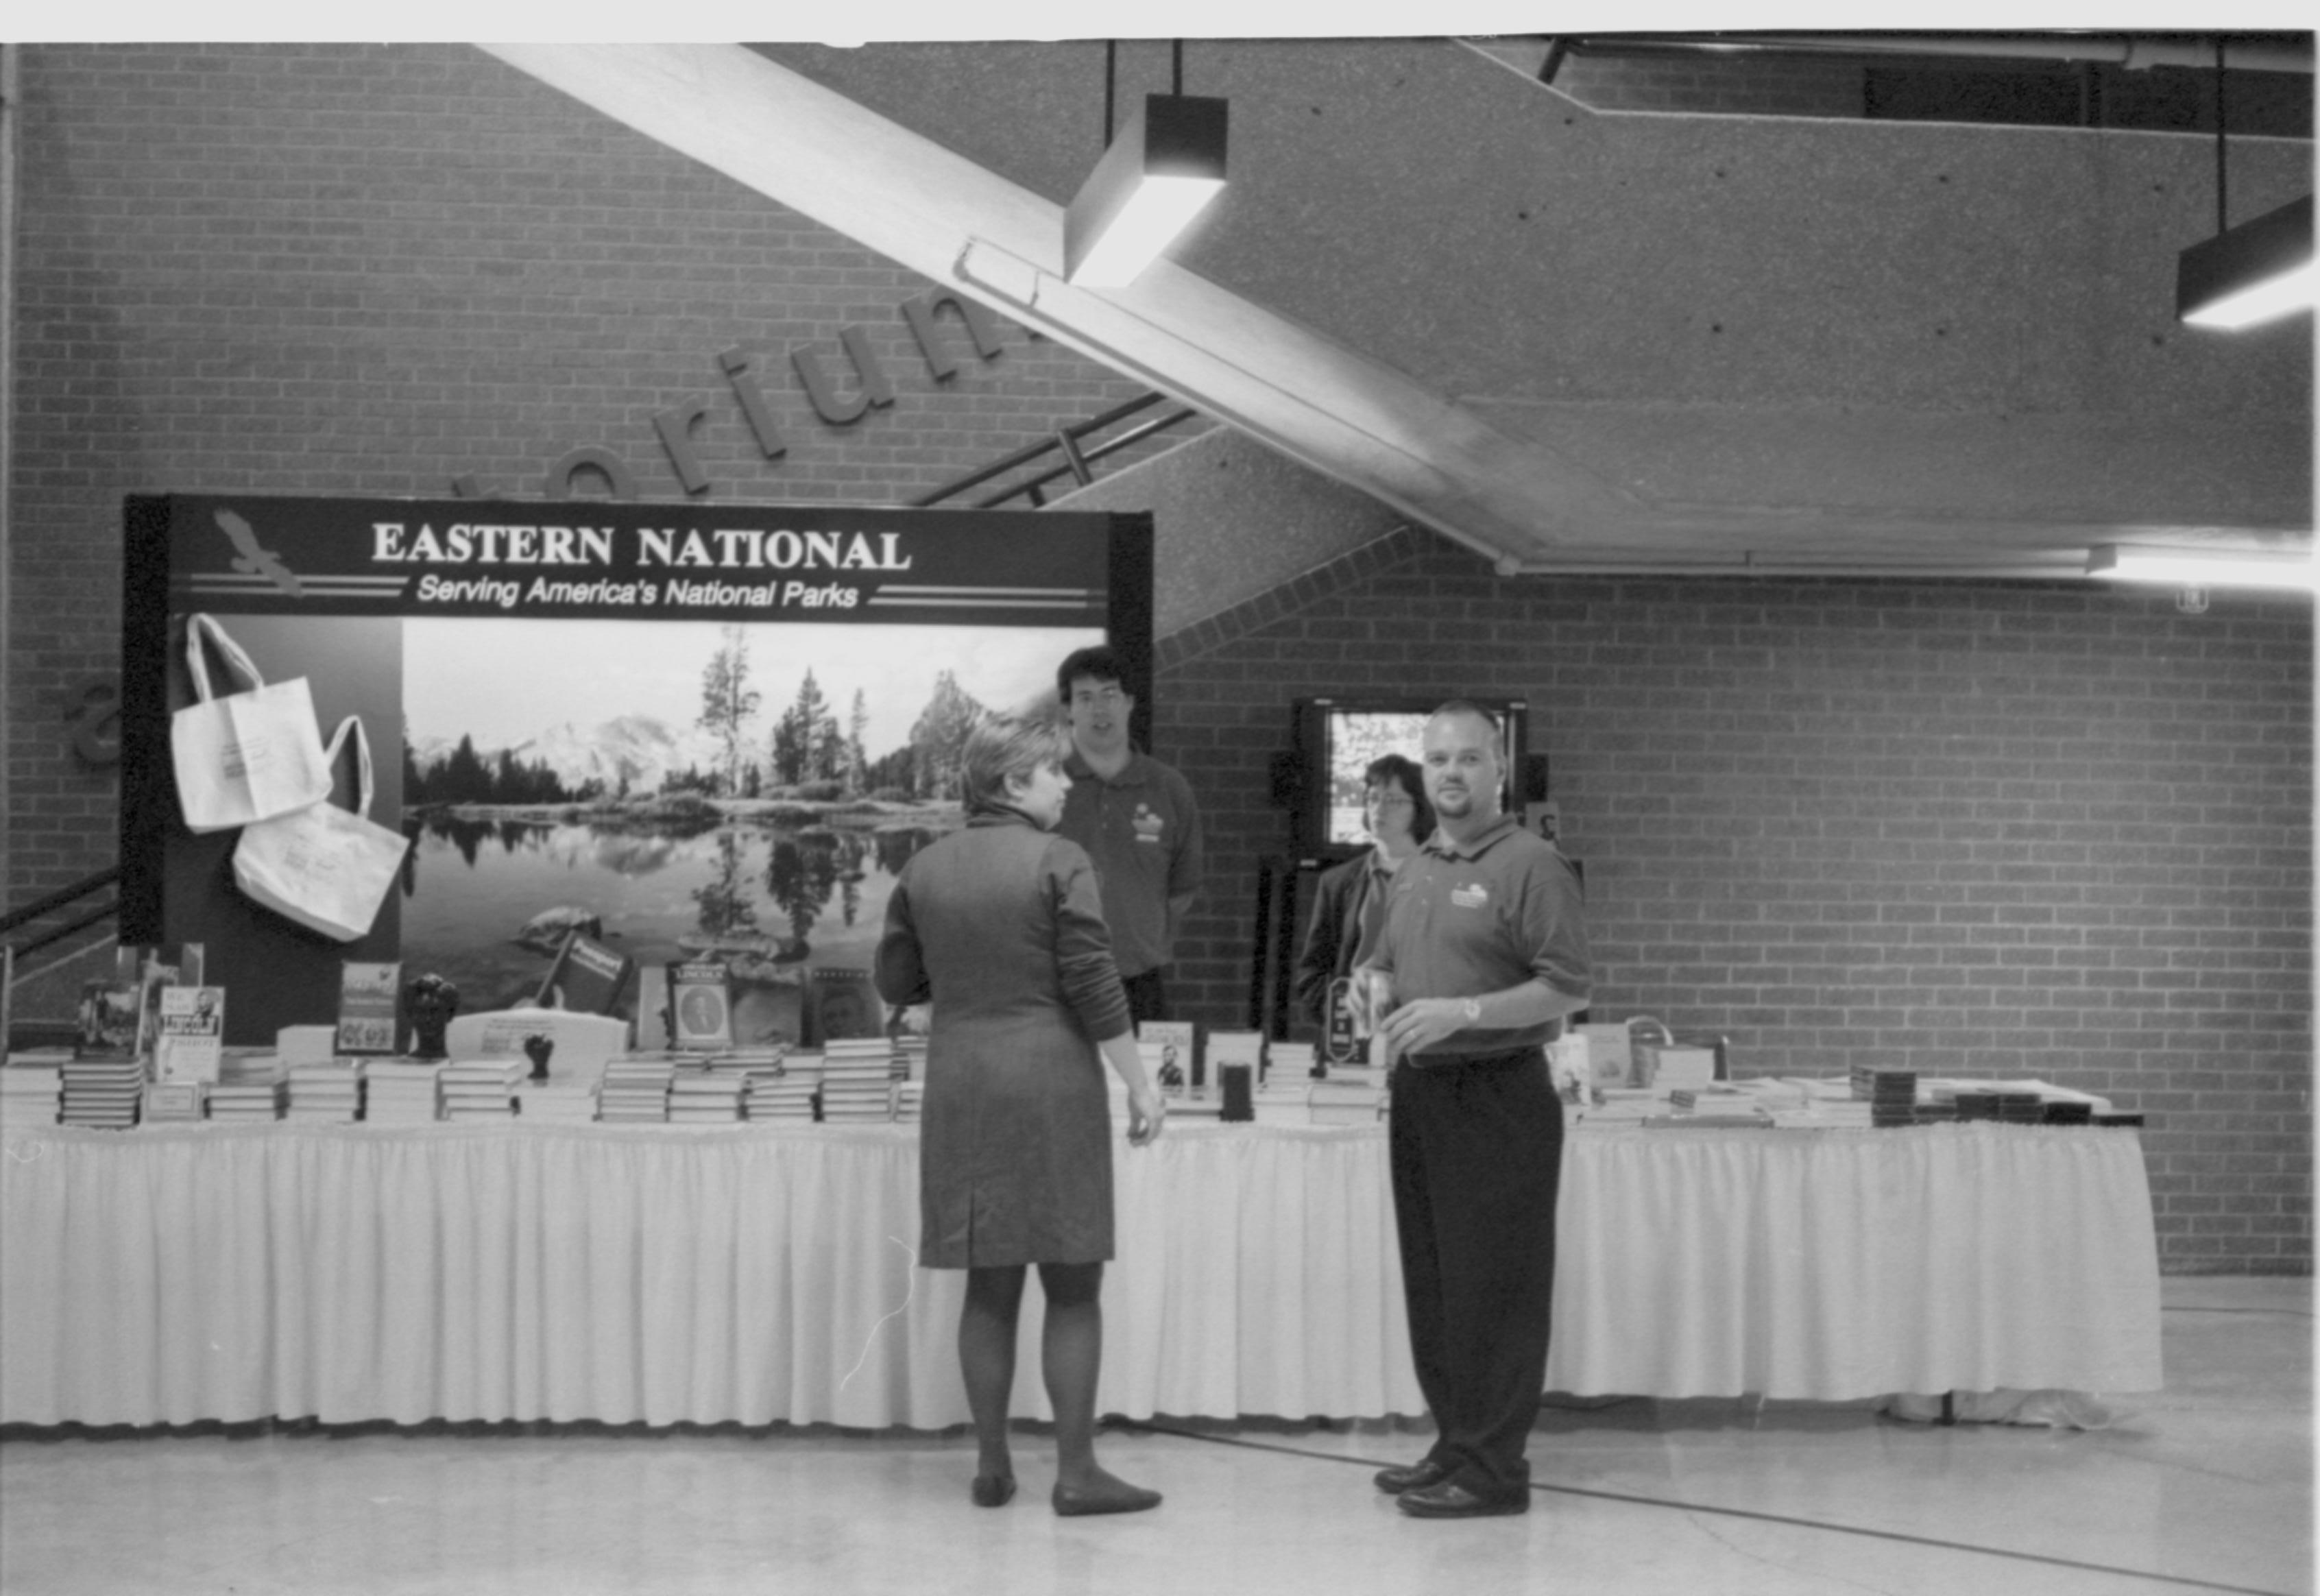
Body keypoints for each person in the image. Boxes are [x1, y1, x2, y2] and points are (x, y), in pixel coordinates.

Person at [873, 713, 1168, 1518]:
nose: (1068, 784)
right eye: (1054, 773)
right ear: (1011, 784)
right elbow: (1094, 982)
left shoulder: (923, 868)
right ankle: (1076, 1472)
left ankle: (993, 1465)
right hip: (1050, 1083)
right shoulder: (1060, 860)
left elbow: (898, 981)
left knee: (988, 1285)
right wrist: (1140, 1082)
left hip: (961, 1084)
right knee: (1073, 1285)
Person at [1360, 700, 1591, 1519]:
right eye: (1437, 760)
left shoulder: (1532, 864)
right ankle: (1456, 1444)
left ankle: (1495, 1471)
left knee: (1496, 1289)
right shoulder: (1417, 864)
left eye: (1467, 759)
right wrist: (1373, 984)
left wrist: (1464, 1014)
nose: (1450, 773)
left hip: (1497, 1094)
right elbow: (1386, 962)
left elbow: (1568, 984)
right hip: (1422, 1093)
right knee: (1439, 1286)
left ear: (1498, 770)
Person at [1053, 646, 1203, 1025]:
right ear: (1068, 709)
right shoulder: (1043, 785)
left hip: (1138, 984)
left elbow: (1182, 889)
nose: (1099, 710)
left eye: (1110, 696)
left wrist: (1142, 944)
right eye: (1085, 698)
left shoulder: (1169, 788)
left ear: (1130, 703)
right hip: (1052, 983)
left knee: (1142, 1084)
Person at [1291, 754, 1434, 1036]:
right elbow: (1312, 974)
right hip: (1353, 1035)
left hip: (1424, 1032)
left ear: (1420, 807)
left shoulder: (1446, 878)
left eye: (1393, 800)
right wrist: (1343, 1012)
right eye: (1372, 798)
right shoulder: (1337, 882)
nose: (1379, 808)